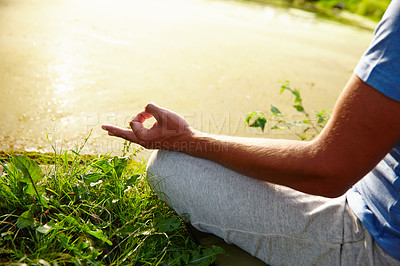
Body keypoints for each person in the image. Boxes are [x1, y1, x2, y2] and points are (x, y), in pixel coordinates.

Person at [102, 0, 400, 264]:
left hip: (377, 244)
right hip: (365, 193)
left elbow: (328, 171)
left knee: (171, 168)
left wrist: (188, 140)